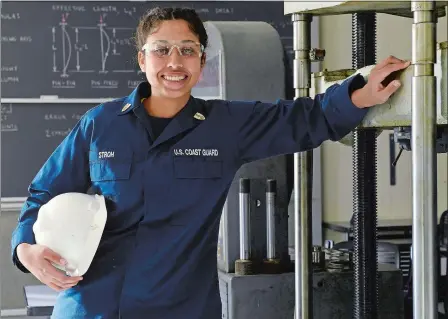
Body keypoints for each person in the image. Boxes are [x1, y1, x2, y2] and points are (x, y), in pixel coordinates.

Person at [11, 6, 410, 319]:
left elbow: (305, 118)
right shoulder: (100, 124)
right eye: (161, 50)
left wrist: (361, 93)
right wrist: (26, 248)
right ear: (141, 59)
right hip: (90, 306)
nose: (174, 62)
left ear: (202, 62)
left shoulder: (225, 126)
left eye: (188, 50)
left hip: (180, 309)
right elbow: (44, 192)